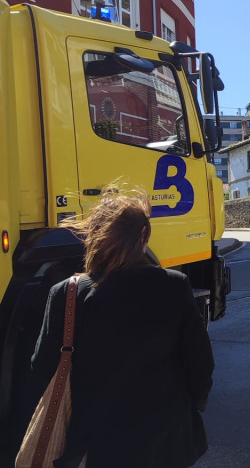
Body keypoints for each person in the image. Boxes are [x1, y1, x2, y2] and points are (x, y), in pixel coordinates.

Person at [30, 187, 214, 467]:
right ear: (142, 236)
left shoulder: (65, 294)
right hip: (164, 441)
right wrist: (191, 405)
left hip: (94, 446)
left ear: (93, 237)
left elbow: (43, 366)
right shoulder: (174, 286)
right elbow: (201, 364)